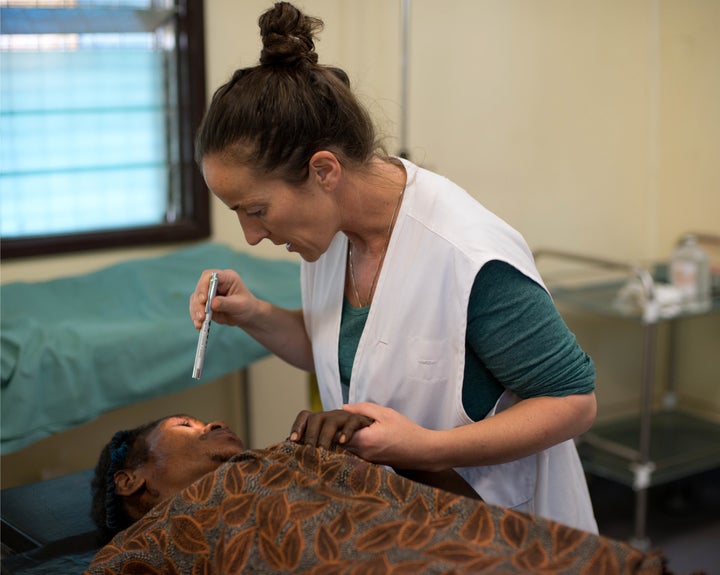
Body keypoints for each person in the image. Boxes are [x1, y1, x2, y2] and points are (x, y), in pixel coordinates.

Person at [189, 1, 598, 532]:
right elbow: (343, 352)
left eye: (257, 210)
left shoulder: (467, 254)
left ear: (324, 171)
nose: (252, 234)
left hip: (508, 530)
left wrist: (427, 448)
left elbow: (574, 403)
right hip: (406, 522)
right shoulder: (332, 233)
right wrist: (253, 313)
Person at [91, 411, 376, 540]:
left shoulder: (299, 458)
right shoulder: (143, 557)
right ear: (129, 481)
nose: (217, 423)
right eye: (183, 424)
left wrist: (364, 441)